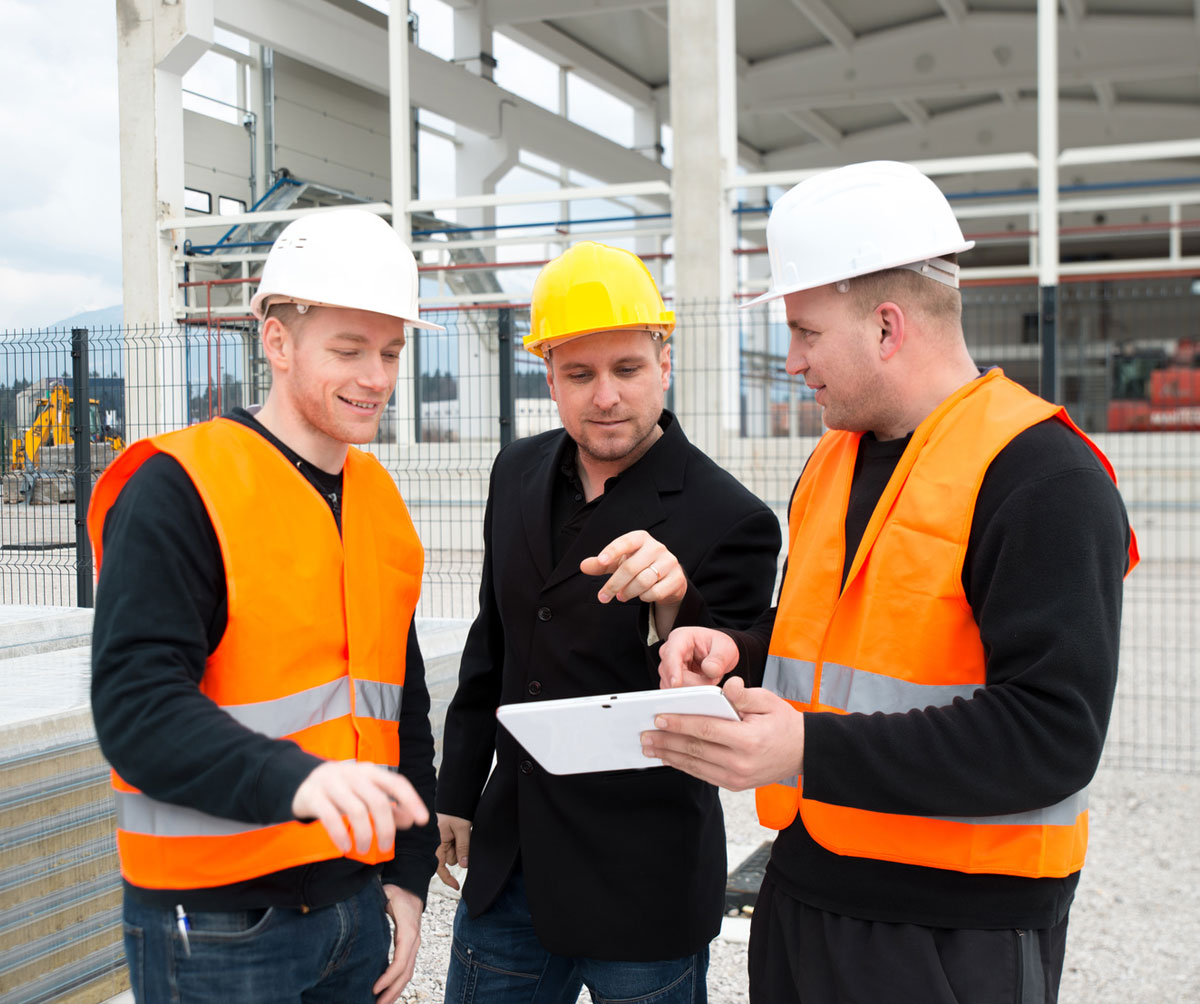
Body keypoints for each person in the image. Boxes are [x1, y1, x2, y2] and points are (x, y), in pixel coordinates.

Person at [643, 161, 1139, 1004]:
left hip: (955, 933)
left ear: (886, 328)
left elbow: (1054, 733)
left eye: (804, 332)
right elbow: (835, 644)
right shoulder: (835, 461)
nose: (792, 361)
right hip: (808, 889)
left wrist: (804, 746)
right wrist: (737, 648)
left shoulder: (1044, 478)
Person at [89, 208, 445, 1004]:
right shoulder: (181, 488)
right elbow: (137, 711)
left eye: (390, 352)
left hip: (355, 906)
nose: (377, 379)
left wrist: (408, 875)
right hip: (217, 923)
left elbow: (400, 705)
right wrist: (299, 780)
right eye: (349, 351)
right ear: (277, 342)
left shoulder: (377, 499)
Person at [434, 241, 782, 1003]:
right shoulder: (517, 472)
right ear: (549, 374)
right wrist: (457, 790)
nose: (605, 397)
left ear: (664, 358)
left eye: (626, 369)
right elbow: (491, 642)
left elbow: (740, 676)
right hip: (513, 863)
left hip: (642, 882)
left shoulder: (730, 518)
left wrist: (674, 604)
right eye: (579, 375)